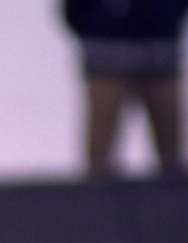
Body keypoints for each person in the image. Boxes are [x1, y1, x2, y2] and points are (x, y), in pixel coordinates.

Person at [63, 0, 188, 177]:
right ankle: (99, 191)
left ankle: (172, 191)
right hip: (105, 63)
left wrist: (164, 20)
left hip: (160, 59)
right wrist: (100, 26)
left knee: (171, 155)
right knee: (99, 156)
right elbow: (75, 11)